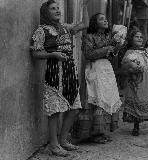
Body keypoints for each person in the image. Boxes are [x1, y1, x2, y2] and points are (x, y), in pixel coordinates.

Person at [30, 0, 86, 156]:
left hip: (70, 73)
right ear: (46, 13)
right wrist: (52, 54)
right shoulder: (42, 30)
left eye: (58, 8)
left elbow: (84, 24)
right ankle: (53, 146)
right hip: (55, 75)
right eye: (53, 9)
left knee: (74, 109)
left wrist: (85, 6)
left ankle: (62, 140)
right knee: (55, 112)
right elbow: (35, 53)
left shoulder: (64, 28)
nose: (57, 10)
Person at [75, 13, 122, 144]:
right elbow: (88, 54)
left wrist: (116, 46)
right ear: (95, 22)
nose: (105, 20)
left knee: (107, 98)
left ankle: (103, 131)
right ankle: (93, 133)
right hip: (95, 69)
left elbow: (111, 56)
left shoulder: (108, 37)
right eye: (101, 19)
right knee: (97, 99)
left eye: (106, 18)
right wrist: (107, 48)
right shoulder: (89, 36)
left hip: (107, 69)